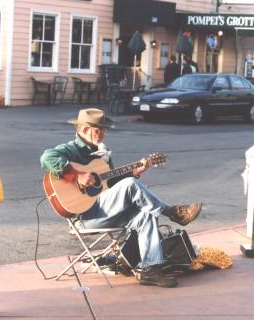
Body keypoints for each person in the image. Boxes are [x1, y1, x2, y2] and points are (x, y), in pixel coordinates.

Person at [40, 108, 202, 288]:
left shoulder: (103, 154)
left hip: (104, 211)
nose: (102, 134)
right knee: (131, 184)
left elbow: (110, 185)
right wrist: (77, 175)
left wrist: (134, 172)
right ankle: (173, 212)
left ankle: (150, 269)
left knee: (146, 212)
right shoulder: (70, 150)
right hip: (85, 217)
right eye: (98, 129)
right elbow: (46, 157)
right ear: (84, 129)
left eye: (104, 129)